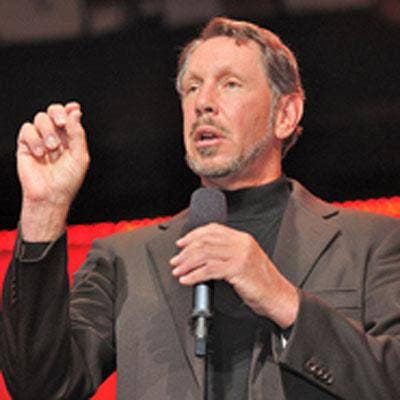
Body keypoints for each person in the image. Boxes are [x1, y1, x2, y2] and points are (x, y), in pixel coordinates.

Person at [1, 16, 400, 400]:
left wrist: (284, 300)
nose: (203, 103)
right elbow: (40, 386)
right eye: (192, 88)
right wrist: (43, 208)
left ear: (285, 114)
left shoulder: (372, 243)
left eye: (230, 84)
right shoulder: (125, 260)